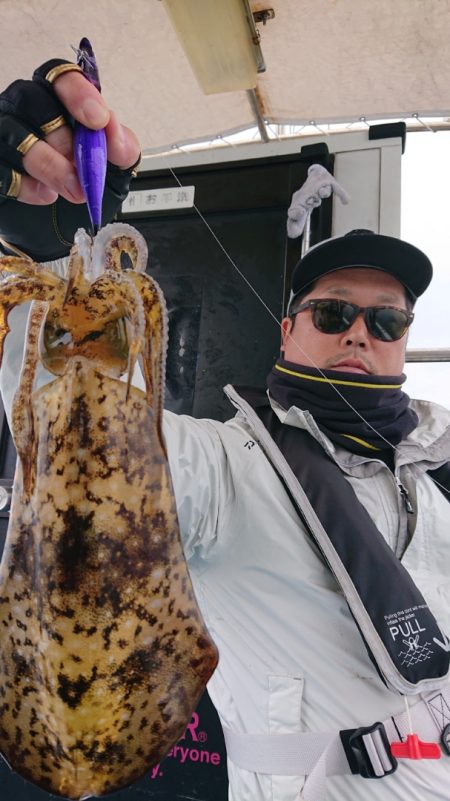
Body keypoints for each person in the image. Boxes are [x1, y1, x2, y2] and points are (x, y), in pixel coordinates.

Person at [0, 59, 450, 801]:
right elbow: (84, 420)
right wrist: (42, 253)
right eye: (334, 312)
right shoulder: (224, 466)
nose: (358, 333)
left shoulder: (440, 478)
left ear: (404, 339)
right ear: (288, 331)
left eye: (387, 321)